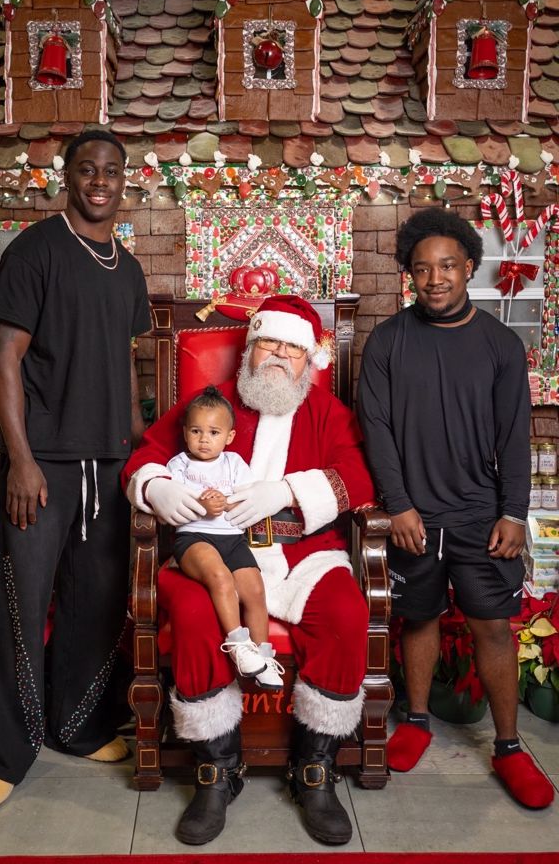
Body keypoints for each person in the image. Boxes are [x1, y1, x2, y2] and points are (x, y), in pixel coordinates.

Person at [123, 295, 376, 846]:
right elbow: (145, 457)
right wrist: (157, 487)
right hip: (210, 549)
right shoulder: (209, 408)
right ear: (250, 348)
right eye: (269, 343)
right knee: (194, 613)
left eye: (292, 348)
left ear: (308, 359)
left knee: (346, 612)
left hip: (303, 554)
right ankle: (217, 768)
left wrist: (287, 490)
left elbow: (358, 476)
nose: (280, 356)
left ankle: (315, 768)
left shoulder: (326, 411)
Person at [0, 129, 152, 809]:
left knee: (94, 605)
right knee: (18, 606)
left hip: (108, 463)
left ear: (124, 181)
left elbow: (125, 359)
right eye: (87, 169)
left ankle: (77, 727)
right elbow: (5, 357)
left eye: (112, 171)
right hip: (43, 463)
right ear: (66, 176)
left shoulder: (128, 269)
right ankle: (6, 755)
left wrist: (139, 446)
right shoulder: (34, 251)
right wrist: (20, 459)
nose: (100, 181)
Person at [357, 207, 554, 810]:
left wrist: (513, 513)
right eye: (422, 269)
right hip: (414, 517)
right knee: (417, 618)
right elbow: (376, 430)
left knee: (491, 626)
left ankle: (509, 746)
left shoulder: (500, 345)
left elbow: (514, 436)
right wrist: (399, 506)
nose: (435, 278)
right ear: (409, 275)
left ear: (469, 267)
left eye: (447, 266)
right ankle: (416, 721)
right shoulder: (388, 341)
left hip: (480, 515)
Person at [168, 385, 284, 690]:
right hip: (194, 537)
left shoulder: (234, 463)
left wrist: (227, 502)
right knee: (220, 578)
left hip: (232, 539)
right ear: (185, 432)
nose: (204, 439)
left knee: (254, 589)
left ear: (229, 436)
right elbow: (173, 501)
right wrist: (202, 505)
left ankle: (263, 658)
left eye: (214, 432)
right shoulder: (179, 465)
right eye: (196, 431)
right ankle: (238, 645)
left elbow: (246, 497)